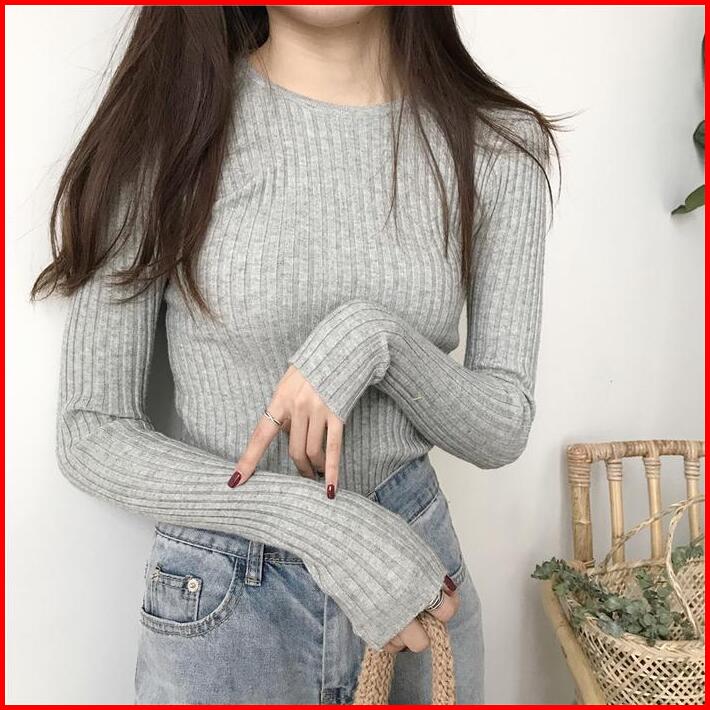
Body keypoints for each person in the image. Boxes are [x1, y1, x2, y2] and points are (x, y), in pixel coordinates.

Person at [31, 5, 565, 705]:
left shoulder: (498, 145)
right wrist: (319, 524)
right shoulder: (167, 131)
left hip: (416, 578)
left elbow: (502, 426)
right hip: (228, 604)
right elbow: (91, 432)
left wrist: (377, 341)